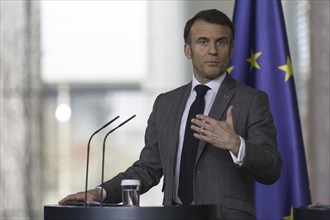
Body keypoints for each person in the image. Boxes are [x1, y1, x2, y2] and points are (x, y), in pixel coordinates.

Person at [59, 9, 282, 219]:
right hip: (173, 216)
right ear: (188, 50)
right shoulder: (165, 103)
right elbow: (147, 169)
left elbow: (272, 169)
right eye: (203, 42)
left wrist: (236, 144)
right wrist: (101, 193)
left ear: (231, 49)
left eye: (221, 42)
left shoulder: (252, 100)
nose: (212, 50)